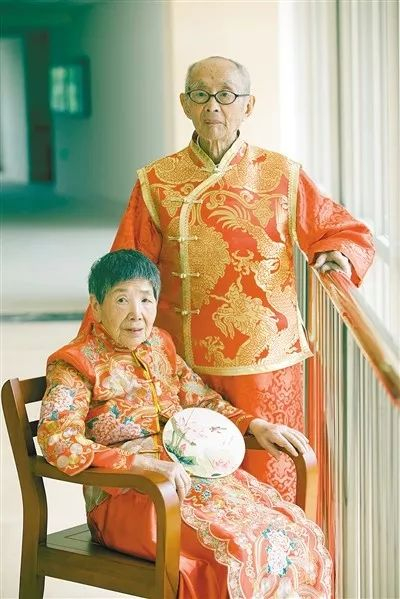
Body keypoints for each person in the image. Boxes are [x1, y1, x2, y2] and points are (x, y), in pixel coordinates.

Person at [83, 56, 375, 501]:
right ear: (185, 103)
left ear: (248, 105)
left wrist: (337, 256)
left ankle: (287, 549)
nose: (213, 106)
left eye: (226, 95)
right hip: (183, 365)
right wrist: (93, 357)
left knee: (274, 480)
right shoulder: (156, 181)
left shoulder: (282, 174)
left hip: (267, 364)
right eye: (201, 95)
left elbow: (343, 229)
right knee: (199, 486)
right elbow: (124, 270)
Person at [38, 249, 332, 599]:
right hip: (129, 496)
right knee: (235, 548)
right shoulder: (74, 363)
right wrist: (140, 464)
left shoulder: (159, 345)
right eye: (121, 300)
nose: (136, 313)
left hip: (190, 479)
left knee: (289, 530)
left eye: (146, 300)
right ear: (96, 306)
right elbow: (58, 441)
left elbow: (200, 399)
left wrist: (255, 426)